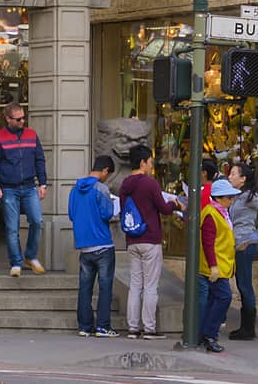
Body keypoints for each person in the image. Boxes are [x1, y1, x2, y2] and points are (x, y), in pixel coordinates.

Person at [116, 145, 177, 339]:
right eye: (150, 162)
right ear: (143, 162)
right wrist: (174, 203)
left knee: (135, 285)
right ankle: (149, 328)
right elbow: (164, 209)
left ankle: (133, 327)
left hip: (132, 239)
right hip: (150, 239)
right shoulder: (150, 184)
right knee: (150, 286)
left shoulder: (125, 185)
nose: (151, 166)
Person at [0, 104, 47, 276]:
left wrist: (42, 183)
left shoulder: (31, 135)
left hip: (29, 185)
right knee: (12, 228)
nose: (22, 121)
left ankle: (30, 256)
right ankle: (16, 262)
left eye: (23, 117)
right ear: (8, 119)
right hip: (8, 187)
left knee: (37, 221)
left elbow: (39, 160)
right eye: (18, 118)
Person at [69, 154, 119, 338]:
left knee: (85, 288)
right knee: (105, 287)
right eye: (108, 174)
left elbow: (72, 214)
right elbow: (107, 214)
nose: (107, 177)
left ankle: (84, 325)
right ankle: (103, 326)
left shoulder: (75, 189)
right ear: (105, 170)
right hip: (103, 244)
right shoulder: (101, 189)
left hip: (84, 245)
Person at [225, 161, 258, 341]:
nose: (230, 177)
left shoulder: (248, 197)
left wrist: (257, 234)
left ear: (243, 179)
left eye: (233, 174)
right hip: (237, 242)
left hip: (245, 243)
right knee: (241, 283)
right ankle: (245, 327)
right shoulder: (236, 197)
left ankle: (248, 328)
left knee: (244, 284)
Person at [199, 177, 240, 352]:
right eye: (229, 197)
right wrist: (213, 266)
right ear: (218, 198)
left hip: (221, 264)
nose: (231, 200)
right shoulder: (211, 214)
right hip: (215, 266)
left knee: (212, 299)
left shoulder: (220, 212)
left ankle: (204, 333)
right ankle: (209, 334)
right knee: (224, 297)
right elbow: (208, 243)